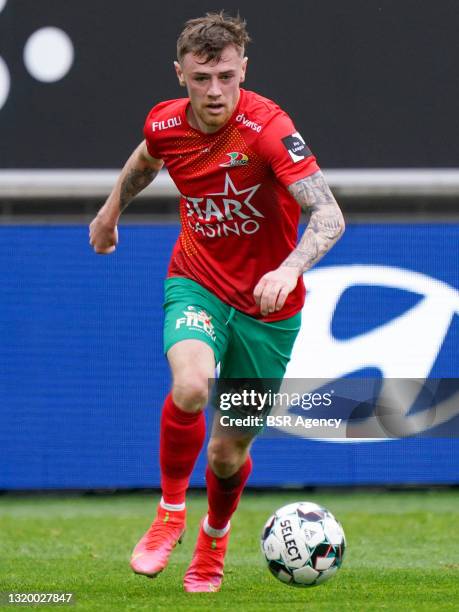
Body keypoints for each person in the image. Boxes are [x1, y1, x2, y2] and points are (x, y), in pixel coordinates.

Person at [89, 12, 345, 593]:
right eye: (201, 77)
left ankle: (213, 538)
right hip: (197, 281)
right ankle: (170, 514)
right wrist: (109, 215)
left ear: (243, 71)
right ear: (180, 74)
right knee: (190, 385)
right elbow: (146, 159)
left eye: (226, 76)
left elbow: (329, 214)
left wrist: (289, 266)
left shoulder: (269, 129)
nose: (214, 92)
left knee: (228, 452)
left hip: (269, 309)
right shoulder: (165, 123)